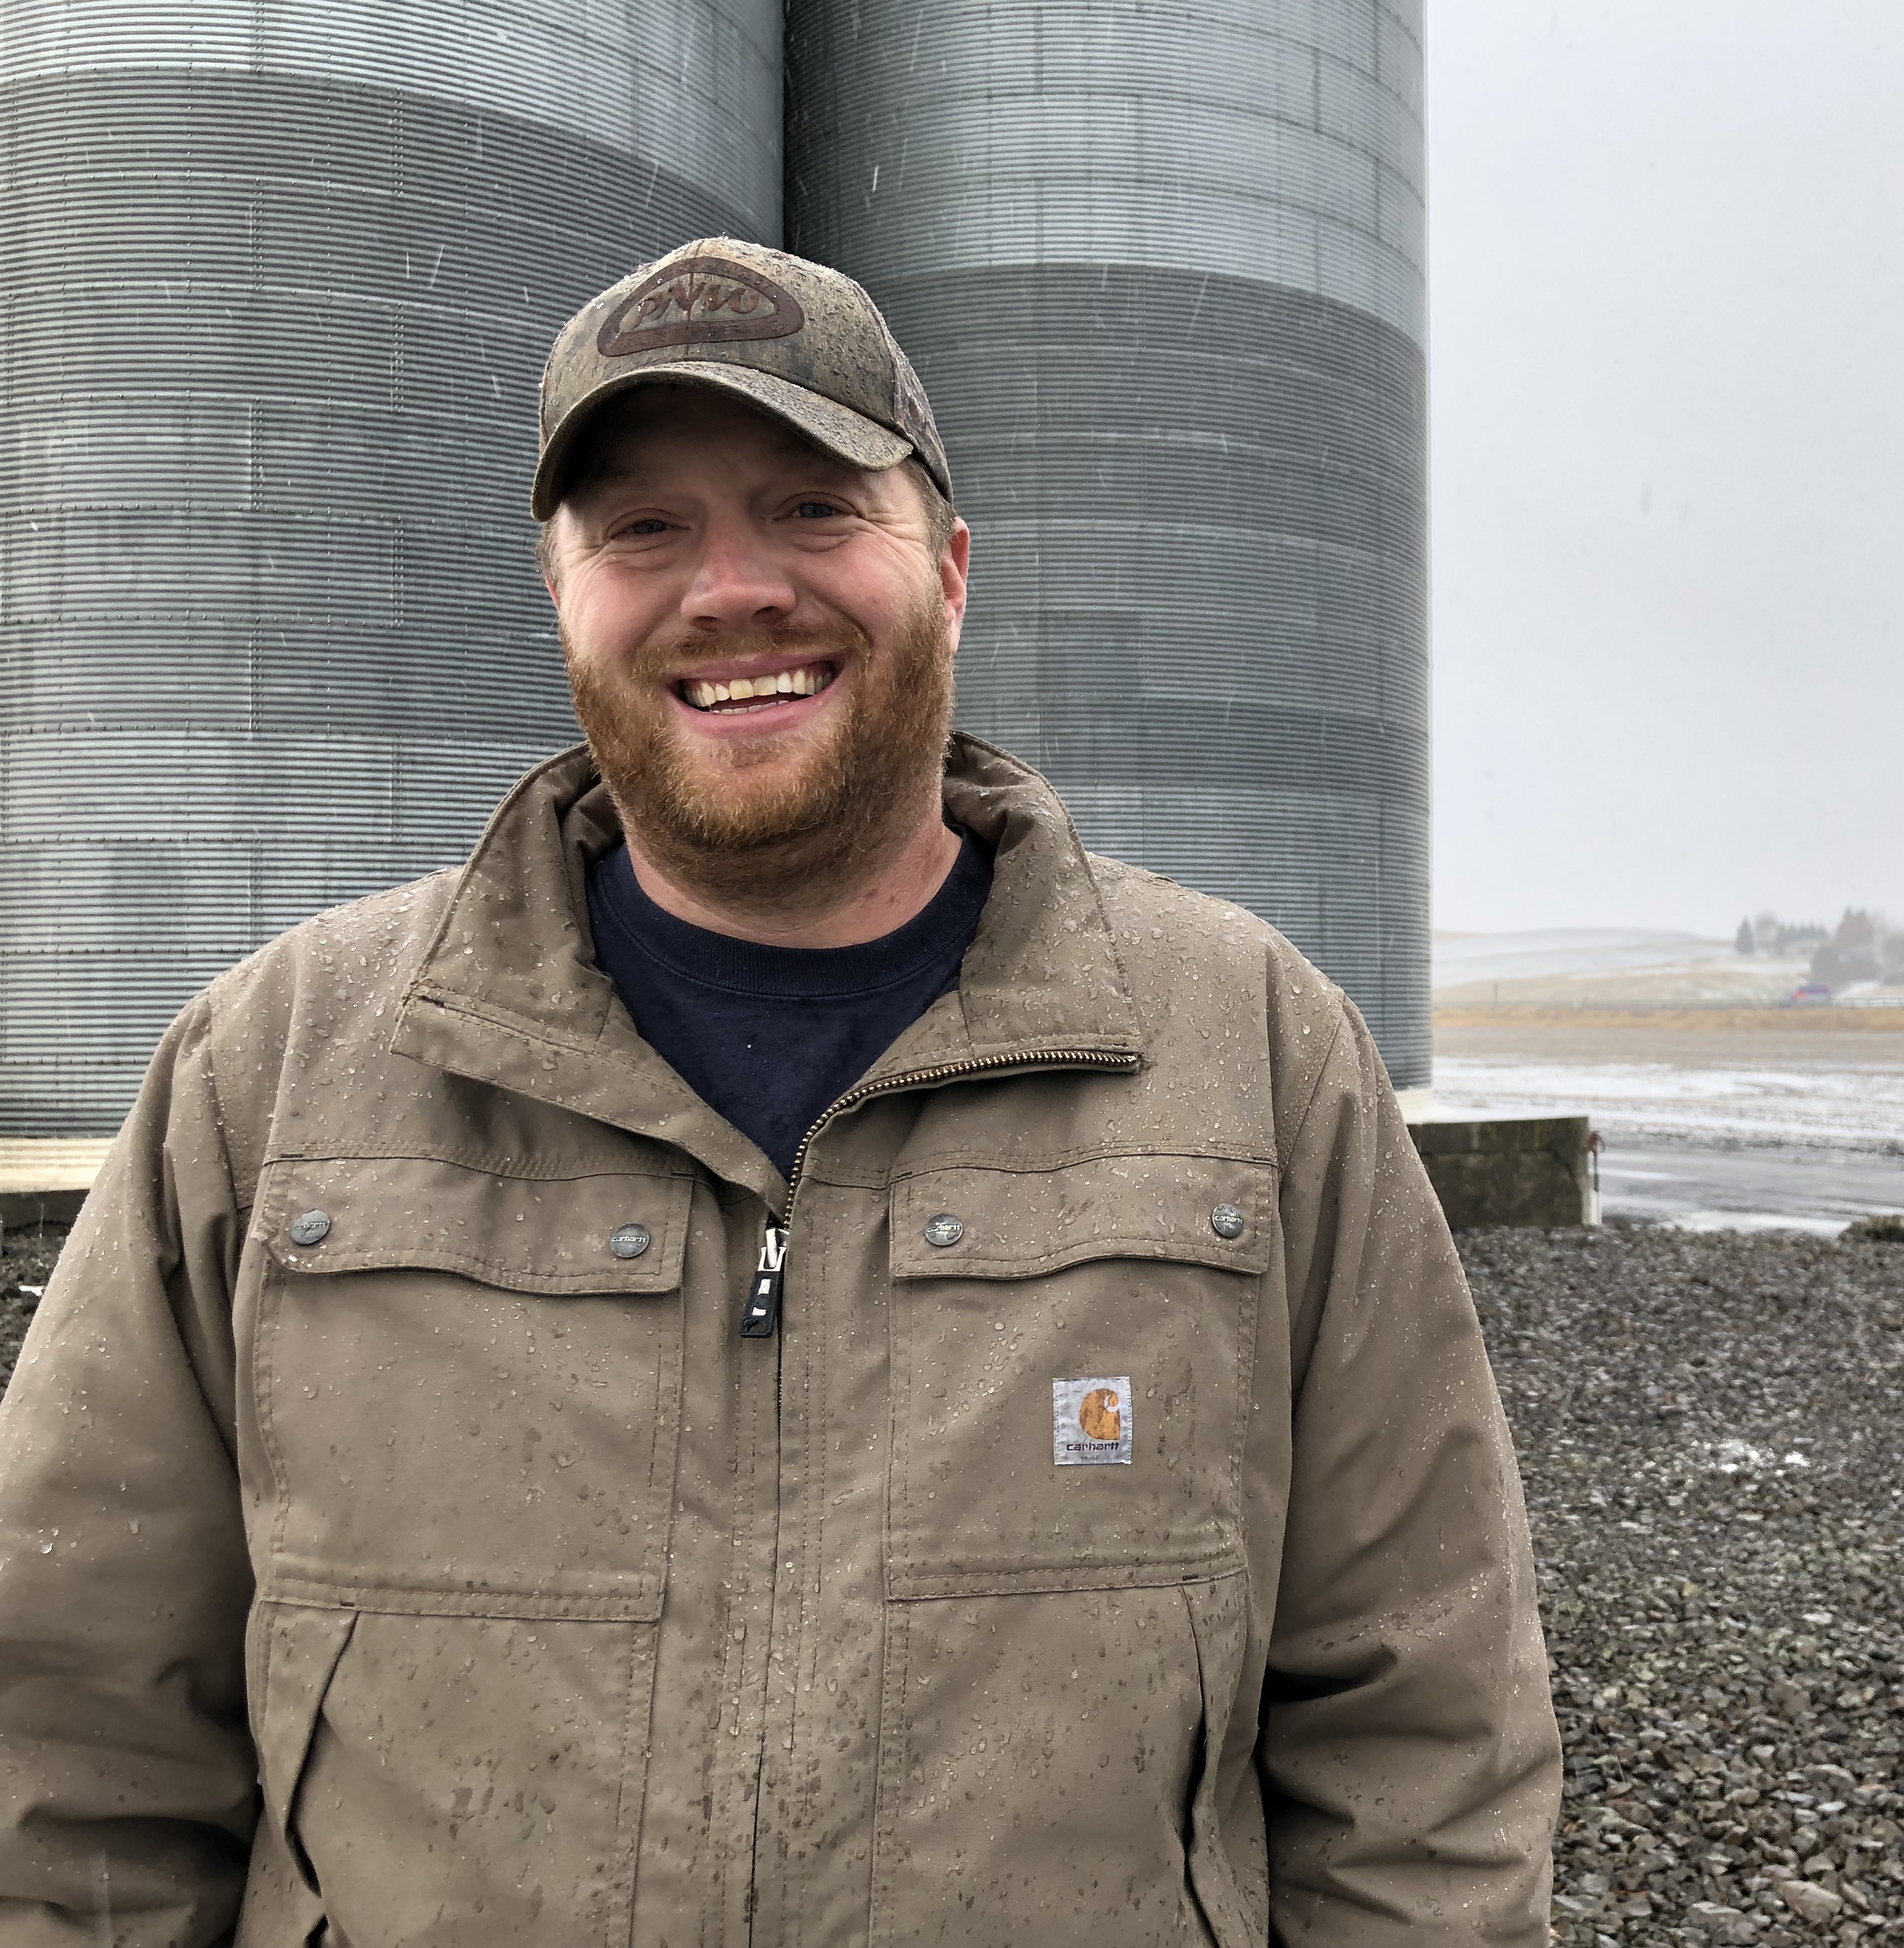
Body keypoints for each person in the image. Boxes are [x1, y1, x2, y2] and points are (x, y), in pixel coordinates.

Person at [0, 237, 1558, 1945]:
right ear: (560, 593)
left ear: (951, 571)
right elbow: (71, 1744)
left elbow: (1423, 1750)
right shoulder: (277, 1068)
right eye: (643, 527)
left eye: (815, 507)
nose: (730, 588)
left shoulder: (1254, 1058)